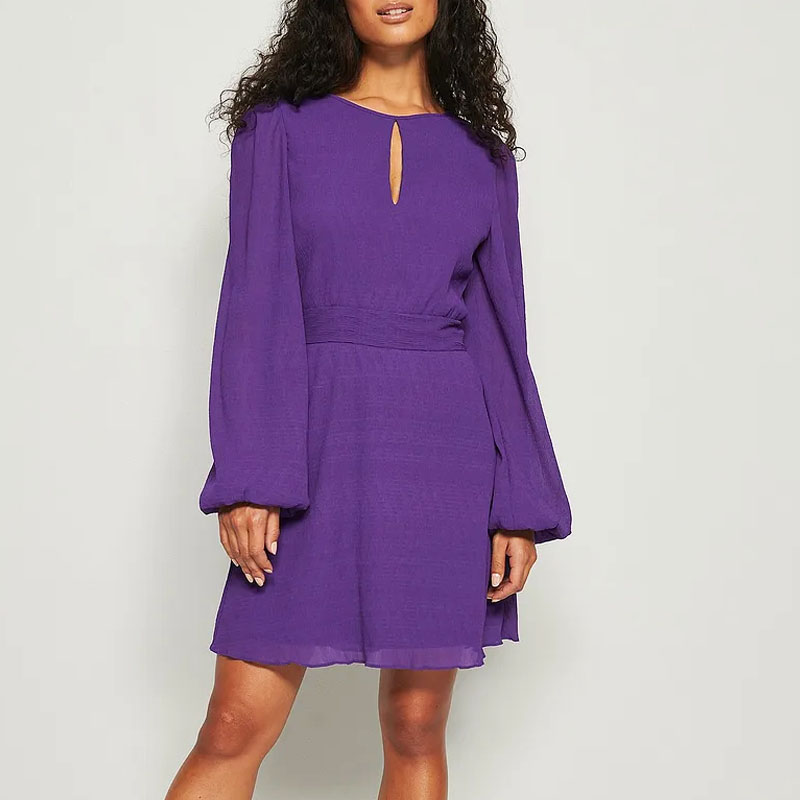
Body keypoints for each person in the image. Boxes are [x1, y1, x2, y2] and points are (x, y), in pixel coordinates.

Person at [166, 1, 571, 798]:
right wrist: (252, 475)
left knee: (416, 727)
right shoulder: (277, 131)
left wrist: (517, 502)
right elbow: (255, 303)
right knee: (233, 725)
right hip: (311, 444)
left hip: (442, 455)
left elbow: (498, 332)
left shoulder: (482, 154)